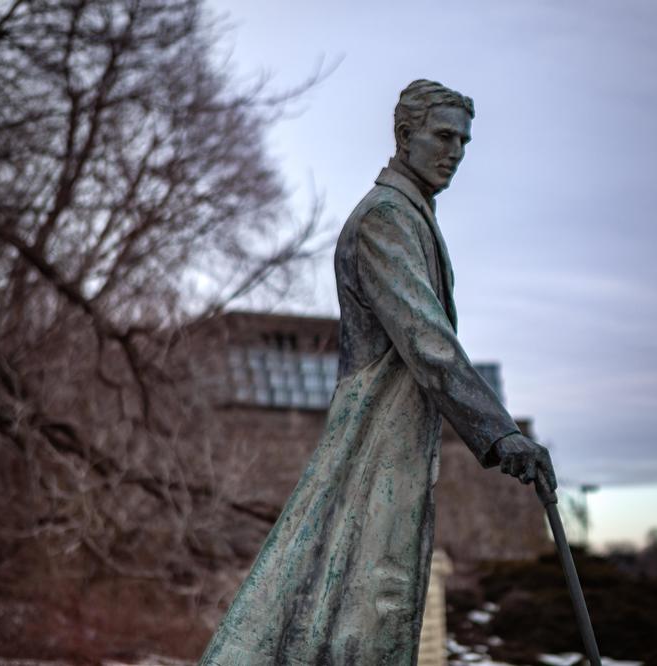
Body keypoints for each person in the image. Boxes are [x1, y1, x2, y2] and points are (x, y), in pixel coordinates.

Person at [199, 79, 556, 665]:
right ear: (404, 136)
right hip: (375, 441)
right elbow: (427, 341)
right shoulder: (385, 219)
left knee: (364, 601)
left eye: (463, 142)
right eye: (443, 136)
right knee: (364, 603)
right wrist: (502, 432)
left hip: (397, 443)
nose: (455, 152)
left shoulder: (413, 217)